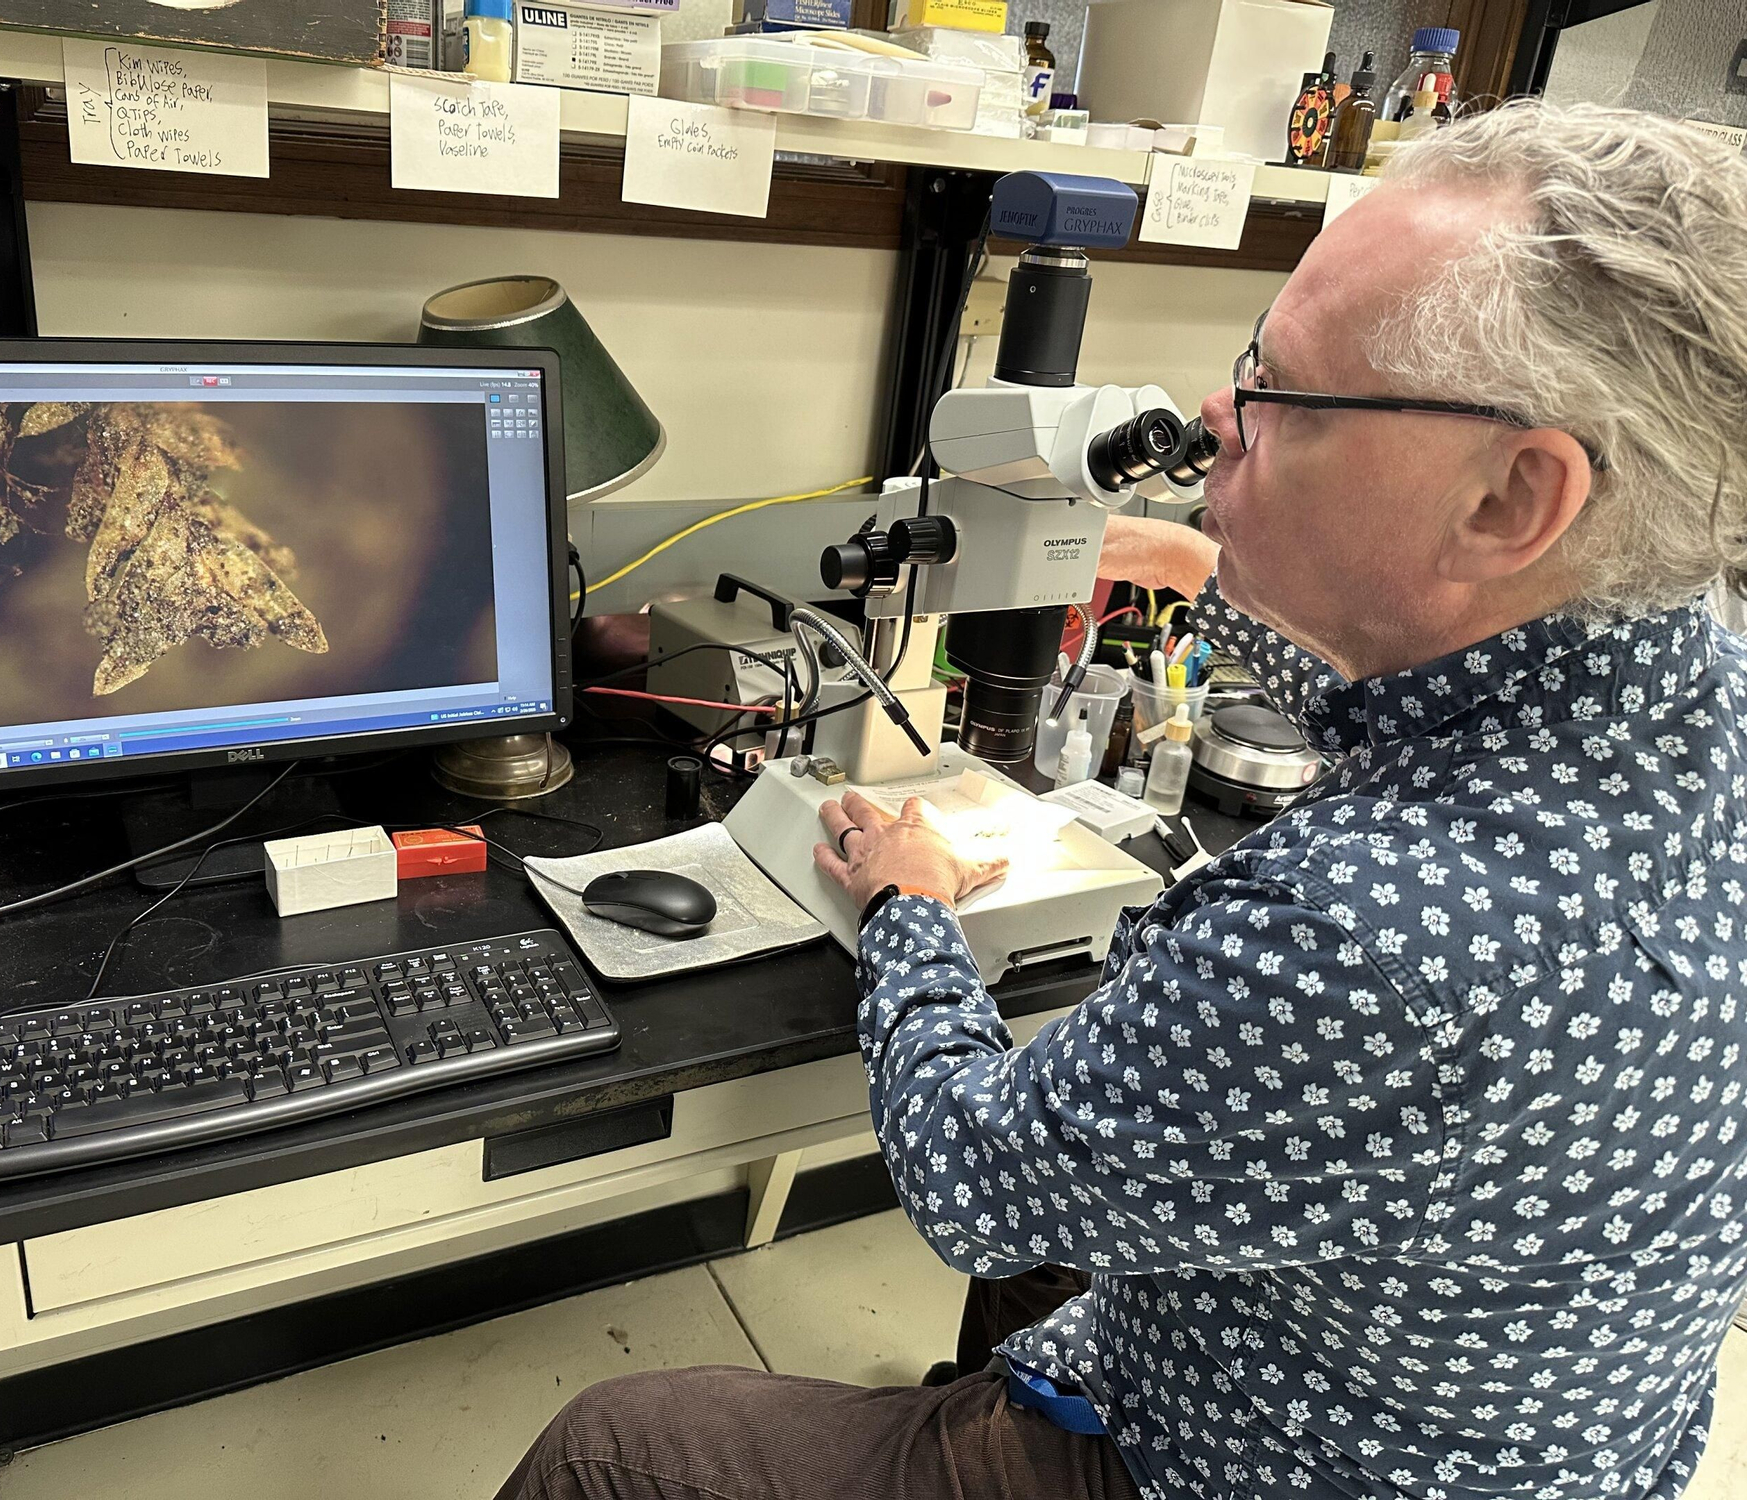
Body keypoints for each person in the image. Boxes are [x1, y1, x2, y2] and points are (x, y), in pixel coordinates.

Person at [494, 99, 1747, 1500]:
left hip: (1235, 1469)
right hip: (1545, 1433)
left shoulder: (1368, 935)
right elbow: (1434, 647)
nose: (1218, 421)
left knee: (622, 1448)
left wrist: (910, 904)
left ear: (1516, 494)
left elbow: (976, 1184)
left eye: (1281, 393)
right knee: (1057, 1279)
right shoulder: (1696, 680)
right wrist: (1188, 556)